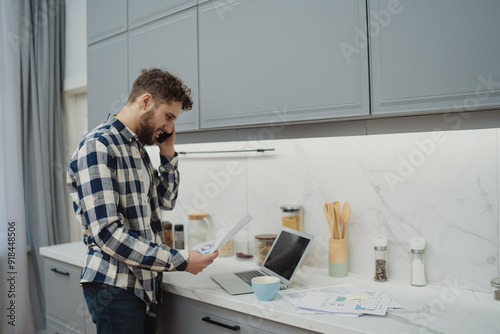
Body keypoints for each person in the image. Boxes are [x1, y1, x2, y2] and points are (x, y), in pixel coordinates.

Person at [67, 68, 218, 334]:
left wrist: (168, 153)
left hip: (144, 283)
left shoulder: (137, 149)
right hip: (114, 286)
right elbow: (108, 234)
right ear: (146, 101)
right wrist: (181, 260)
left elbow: (166, 201)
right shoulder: (98, 146)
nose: (169, 127)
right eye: (168, 116)